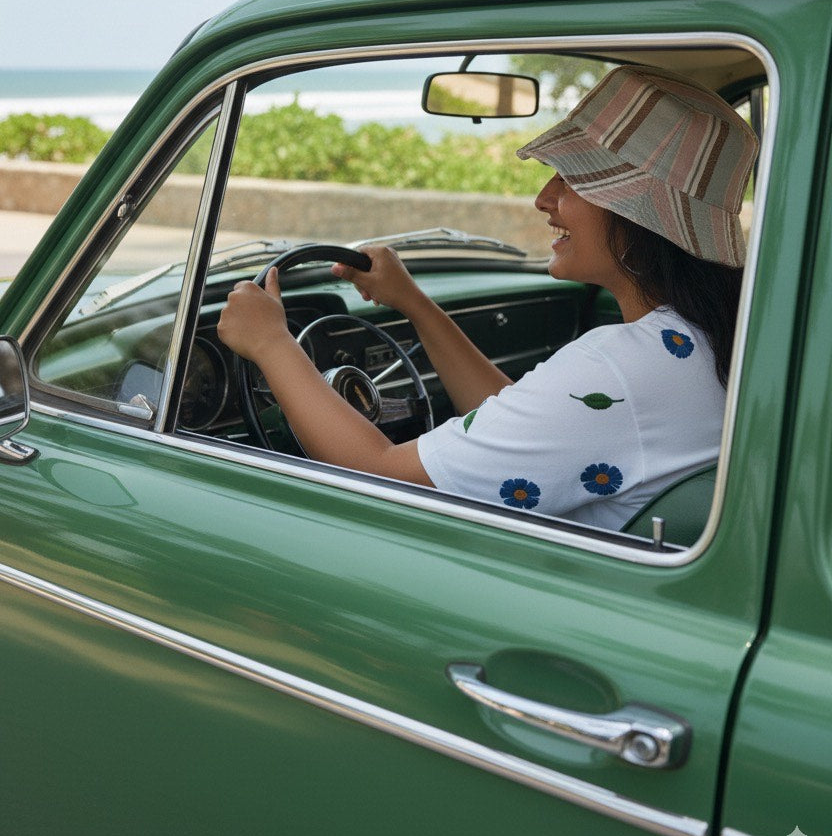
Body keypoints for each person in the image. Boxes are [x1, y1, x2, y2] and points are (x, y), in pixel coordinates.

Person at [217, 64, 759, 530]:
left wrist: (272, 344)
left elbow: (381, 474)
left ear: (638, 218)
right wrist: (414, 304)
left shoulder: (617, 369)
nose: (544, 197)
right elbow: (522, 421)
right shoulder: (710, 337)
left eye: (572, 179)